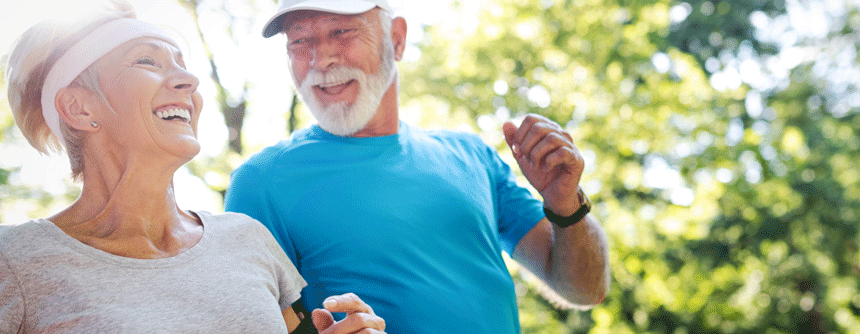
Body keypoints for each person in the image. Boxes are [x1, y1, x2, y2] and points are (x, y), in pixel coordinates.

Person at [224, 0, 610, 332]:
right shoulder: (262, 183)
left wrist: (566, 205)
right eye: (299, 41)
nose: (320, 59)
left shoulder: (471, 156)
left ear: (397, 39)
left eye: (342, 31)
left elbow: (585, 289)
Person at [0, 1, 385, 333]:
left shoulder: (248, 239)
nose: (188, 80)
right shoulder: (14, 261)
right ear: (79, 108)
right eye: (147, 61)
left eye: (182, 65)